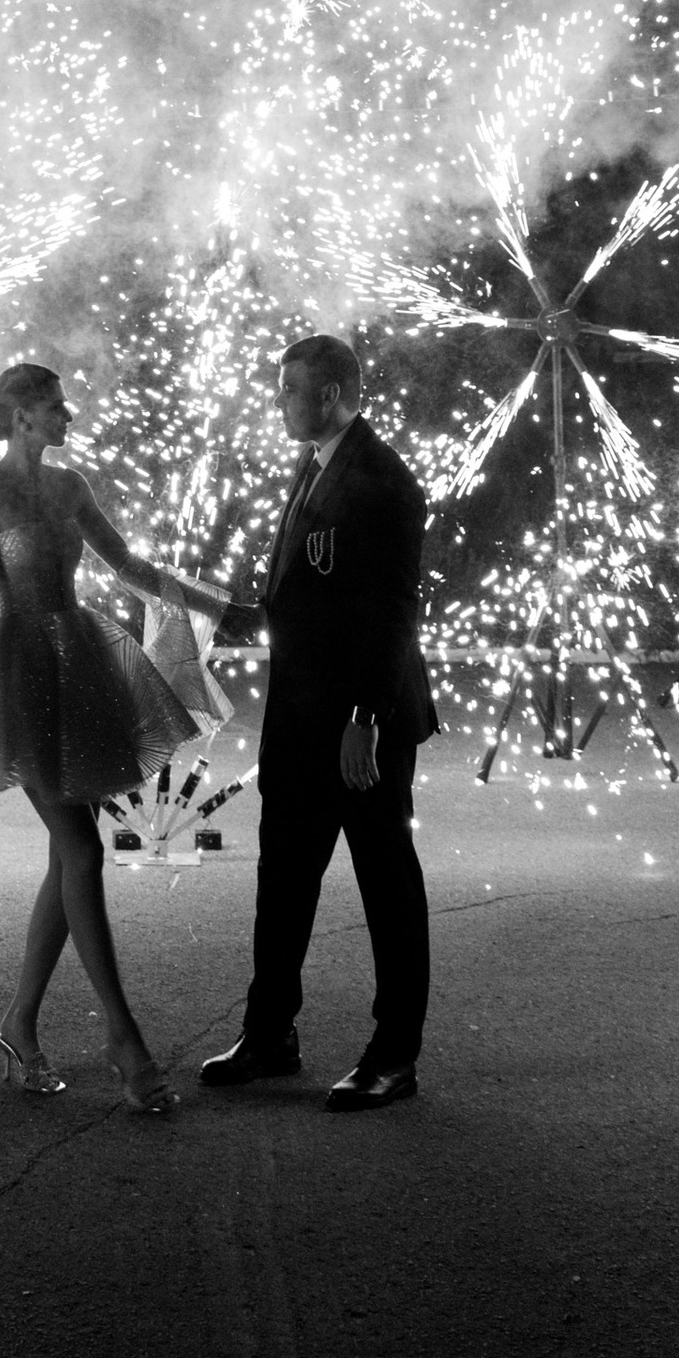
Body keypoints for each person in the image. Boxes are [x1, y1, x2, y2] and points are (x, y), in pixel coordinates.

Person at [0, 358, 246, 1115]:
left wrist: (218, 606)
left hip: (77, 663)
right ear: (21, 416)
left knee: (66, 858)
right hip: (20, 676)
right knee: (81, 849)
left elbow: (130, 566)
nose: (67, 417)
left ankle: (19, 1024)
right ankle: (125, 1039)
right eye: (55, 406)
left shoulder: (70, 487)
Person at [204, 333, 437, 1111]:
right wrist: (197, 607)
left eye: (288, 390)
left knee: (386, 885)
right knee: (284, 879)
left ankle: (393, 1058)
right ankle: (271, 1035)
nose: (280, 403)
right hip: (303, 720)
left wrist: (367, 717)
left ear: (331, 392)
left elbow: (395, 612)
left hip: (359, 727)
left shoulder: (383, 482)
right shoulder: (316, 467)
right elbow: (294, 605)